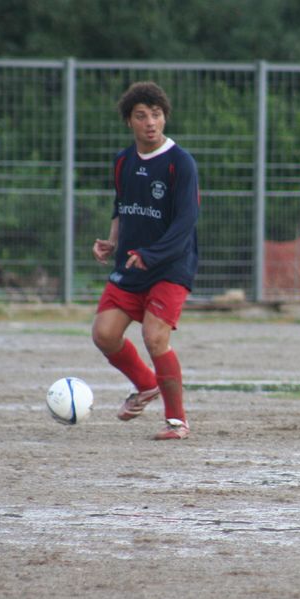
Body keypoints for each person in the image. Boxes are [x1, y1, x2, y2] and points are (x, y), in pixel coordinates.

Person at [92, 81, 200, 440]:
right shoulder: (123, 161)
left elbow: (186, 221)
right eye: (141, 116)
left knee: (155, 338)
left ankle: (177, 422)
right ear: (129, 121)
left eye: (156, 114)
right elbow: (121, 207)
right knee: (104, 335)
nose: (150, 122)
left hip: (171, 266)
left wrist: (152, 255)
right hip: (132, 264)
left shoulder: (180, 163)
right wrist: (111, 242)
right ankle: (146, 383)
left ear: (165, 117)